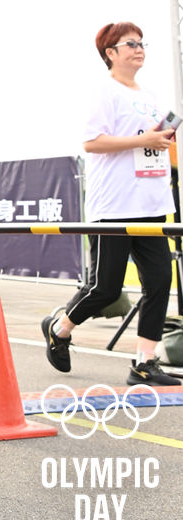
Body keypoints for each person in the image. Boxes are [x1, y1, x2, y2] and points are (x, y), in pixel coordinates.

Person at [42, 22, 182, 386]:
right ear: (110, 53)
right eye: (130, 44)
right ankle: (59, 328)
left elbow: (152, 141)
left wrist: (161, 140)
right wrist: (143, 140)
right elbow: (92, 142)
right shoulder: (103, 91)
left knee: (159, 282)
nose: (139, 49)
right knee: (105, 288)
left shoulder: (150, 95)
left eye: (142, 43)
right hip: (114, 206)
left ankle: (144, 363)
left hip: (151, 204)